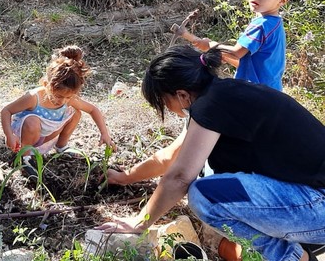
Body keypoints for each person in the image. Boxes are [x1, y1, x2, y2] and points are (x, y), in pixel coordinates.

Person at [96, 45, 325, 261]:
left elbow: (180, 176)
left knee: (205, 195)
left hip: (317, 205)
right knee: (209, 175)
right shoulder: (224, 95)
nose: (169, 109)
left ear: (182, 95)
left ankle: (296, 257)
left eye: (165, 102)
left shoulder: (212, 104)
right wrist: (125, 177)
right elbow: (172, 157)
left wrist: (139, 222)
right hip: (309, 199)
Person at [177, 0, 299, 91]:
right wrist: (219, 52)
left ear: (282, 1)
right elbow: (248, 64)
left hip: (255, 94)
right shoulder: (275, 24)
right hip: (272, 92)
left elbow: (236, 53)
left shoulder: (261, 25)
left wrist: (210, 45)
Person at [1, 45, 116, 168]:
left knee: (76, 112)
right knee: (32, 121)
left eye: (68, 97)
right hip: (25, 137)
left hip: (47, 136)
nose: (63, 101)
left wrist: (104, 133)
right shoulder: (34, 97)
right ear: (46, 85)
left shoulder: (69, 98)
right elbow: (6, 111)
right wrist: (9, 136)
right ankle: (26, 157)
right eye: (58, 96)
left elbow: (93, 109)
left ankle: (61, 146)